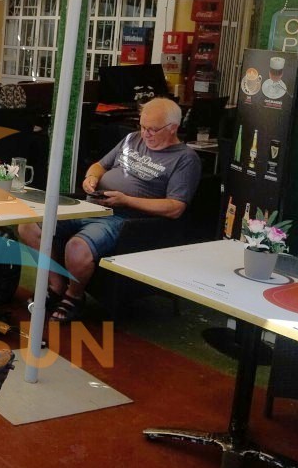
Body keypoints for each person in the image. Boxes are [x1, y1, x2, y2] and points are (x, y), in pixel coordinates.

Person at [18, 97, 201, 322]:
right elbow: (99, 165)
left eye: (153, 129)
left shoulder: (185, 159)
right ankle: (56, 285)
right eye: (142, 126)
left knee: (77, 247)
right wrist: (91, 178)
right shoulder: (132, 139)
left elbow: (175, 207)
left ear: (173, 128)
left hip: (125, 219)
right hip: (92, 205)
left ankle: (74, 296)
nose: (146, 134)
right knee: (28, 225)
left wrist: (126, 201)